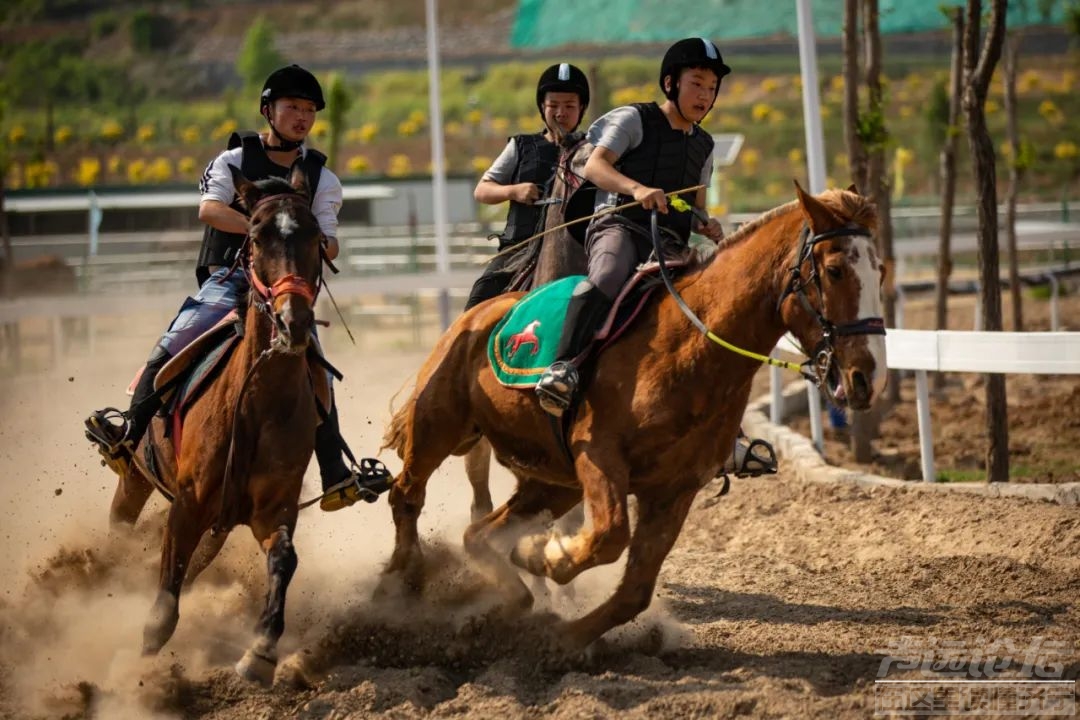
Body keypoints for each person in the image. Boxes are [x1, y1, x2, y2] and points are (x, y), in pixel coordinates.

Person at [85, 64, 385, 512]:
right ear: (268, 110)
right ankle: (130, 429)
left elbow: (332, 244)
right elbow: (209, 210)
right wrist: (265, 230)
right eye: (292, 107)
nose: (302, 117)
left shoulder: (323, 177)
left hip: (286, 289)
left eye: (309, 110)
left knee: (317, 369)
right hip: (231, 280)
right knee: (177, 339)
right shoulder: (232, 160)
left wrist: (306, 239)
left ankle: (334, 472)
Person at [533, 38, 775, 475]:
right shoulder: (634, 118)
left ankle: (728, 433)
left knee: (716, 312)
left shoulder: (704, 146)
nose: (705, 95)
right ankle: (563, 370)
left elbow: (694, 202)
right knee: (606, 278)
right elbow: (595, 167)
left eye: (711, 87)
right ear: (670, 83)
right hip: (618, 226)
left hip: (670, 242)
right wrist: (637, 189)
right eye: (696, 83)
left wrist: (705, 221)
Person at [464, 62, 590, 310]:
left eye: (569, 106)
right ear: (542, 108)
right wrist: (513, 191)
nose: (560, 113)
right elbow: (482, 190)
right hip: (519, 250)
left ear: (582, 108)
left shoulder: (594, 149)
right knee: (479, 300)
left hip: (578, 249)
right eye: (553, 105)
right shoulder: (521, 146)